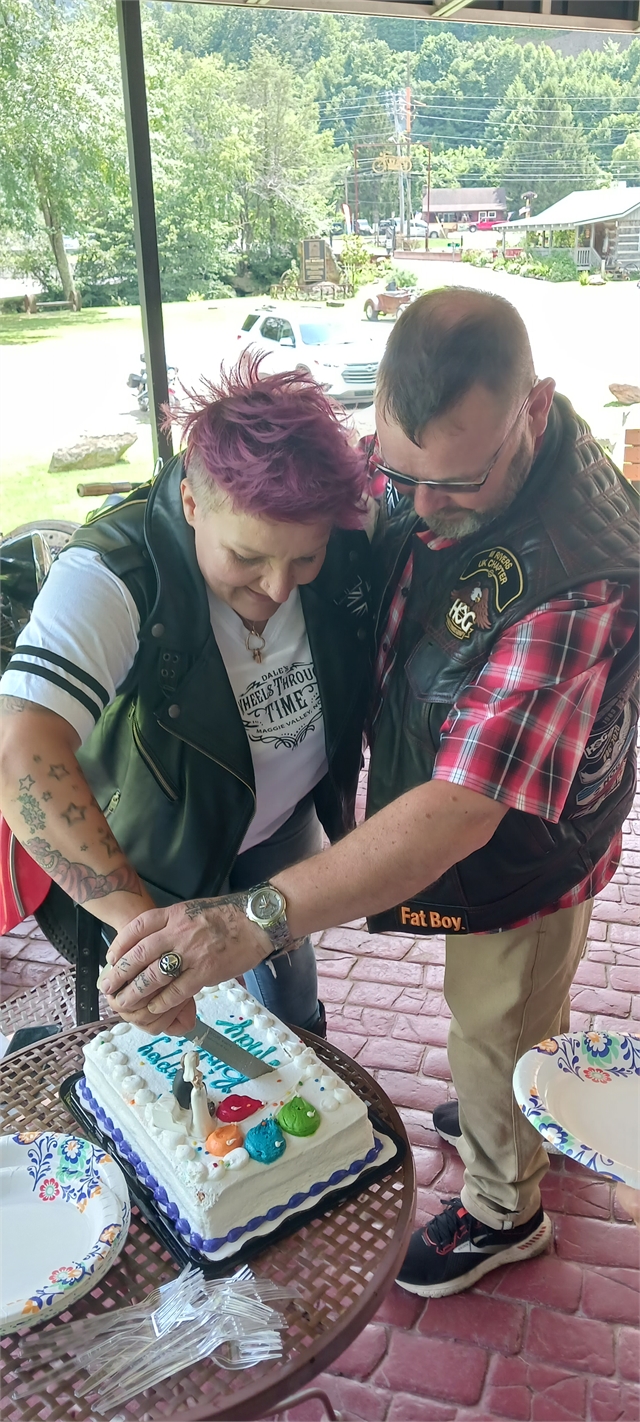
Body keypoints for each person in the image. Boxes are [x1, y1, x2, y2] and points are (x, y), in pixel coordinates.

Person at [80, 291, 639, 1298]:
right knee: (508, 1023)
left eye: (456, 484)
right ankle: (507, 1110)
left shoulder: (580, 574)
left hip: (527, 847)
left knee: (497, 1015)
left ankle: (503, 1208)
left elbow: (462, 810)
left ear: (533, 408)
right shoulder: (440, 460)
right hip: (481, 816)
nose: (416, 509)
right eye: (399, 472)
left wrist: (253, 920)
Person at [0, 355, 373, 1037]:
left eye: (305, 558)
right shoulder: (114, 567)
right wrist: (146, 937)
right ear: (192, 504)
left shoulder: (349, 532)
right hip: (155, 855)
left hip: (285, 830)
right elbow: (19, 747)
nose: (278, 589)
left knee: (291, 1007)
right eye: (247, 558)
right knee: (149, 1050)